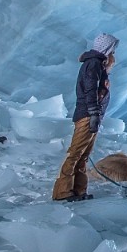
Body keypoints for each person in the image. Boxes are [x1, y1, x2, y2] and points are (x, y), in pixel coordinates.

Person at [51, 32, 118, 201]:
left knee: (83, 155)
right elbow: (90, 90)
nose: (114, 55)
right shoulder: (93, 64)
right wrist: (94, 113)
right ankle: (62, 193)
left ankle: (78, 190)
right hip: (87, 115)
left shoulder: (98, 65)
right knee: (75, 153)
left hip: (92, 115)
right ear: (106, 49)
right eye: (112, 50)